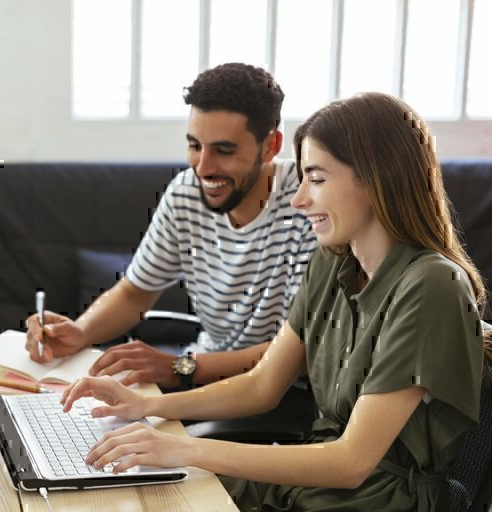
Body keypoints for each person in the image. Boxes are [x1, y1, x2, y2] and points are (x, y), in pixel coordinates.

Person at [59, 92, 491, 511]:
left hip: (375, 498)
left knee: (159, 485)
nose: (300, 198)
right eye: (302, 177)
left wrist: (184, 449)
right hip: (312, 480)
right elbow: (262, 385)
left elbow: (351, 463)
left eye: (317, 179)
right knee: (120, 488)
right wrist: (148, 405)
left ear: (378, 179)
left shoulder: (431, 285)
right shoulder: (333, 262)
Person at [24, 64, 317, 427]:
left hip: (278, 394)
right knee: (89, 423)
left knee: (157, 450)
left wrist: (180, 368)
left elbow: (298, 351)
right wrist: (80, 332)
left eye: (224, 150)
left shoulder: (308, 204)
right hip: (198, 372)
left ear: (271, 145)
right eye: (195, 146)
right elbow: (135, 293)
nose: (203, 168)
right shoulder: (185, 193)